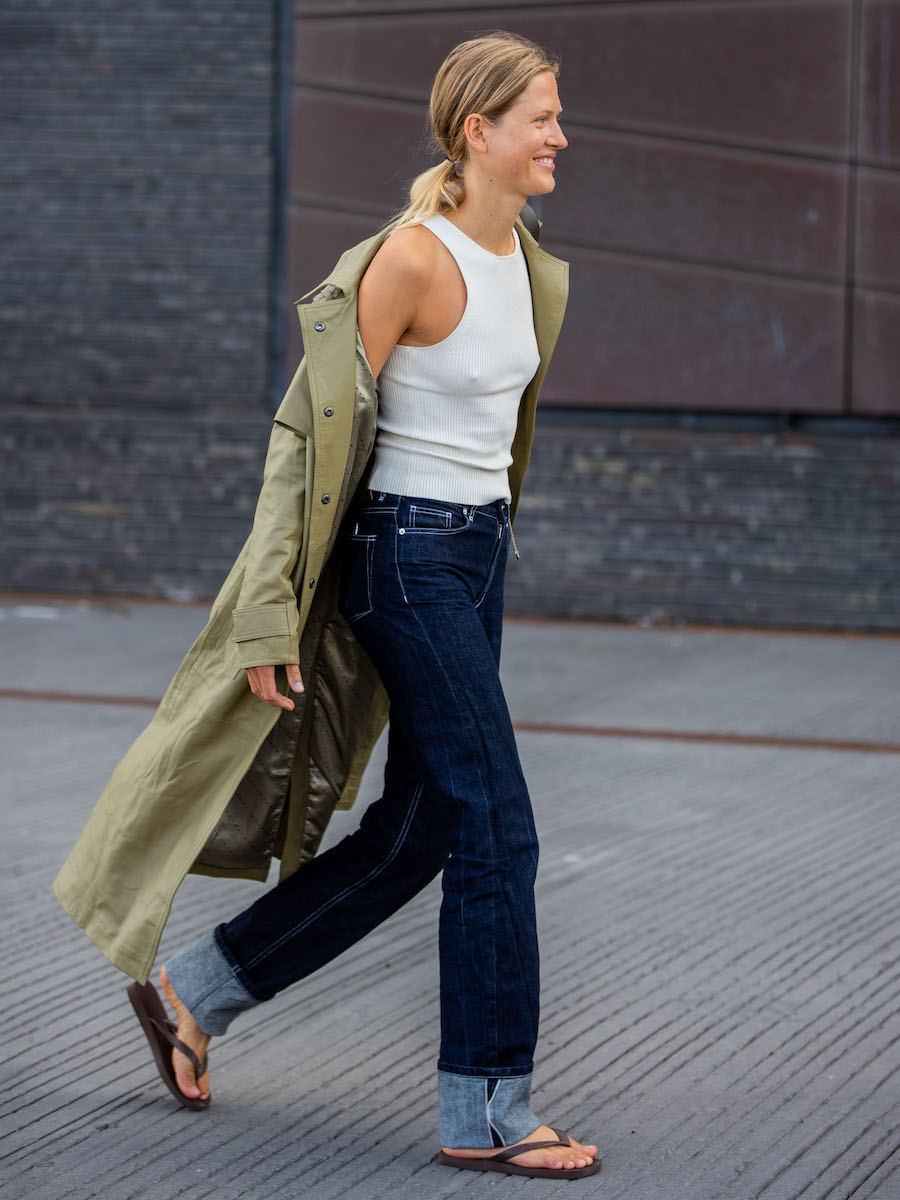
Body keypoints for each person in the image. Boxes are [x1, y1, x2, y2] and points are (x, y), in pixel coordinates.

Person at [73, 30, 600, 1181]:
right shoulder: (408, 261)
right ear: (481, 131)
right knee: (500, 826)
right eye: (544, 117)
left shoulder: (528, 255)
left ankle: (191, 993)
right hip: (400, 559)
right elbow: (302, 444)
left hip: (474, 556)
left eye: (560, 115)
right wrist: (268, 617)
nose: (562, 133)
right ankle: (490, 1108)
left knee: (424, 828)